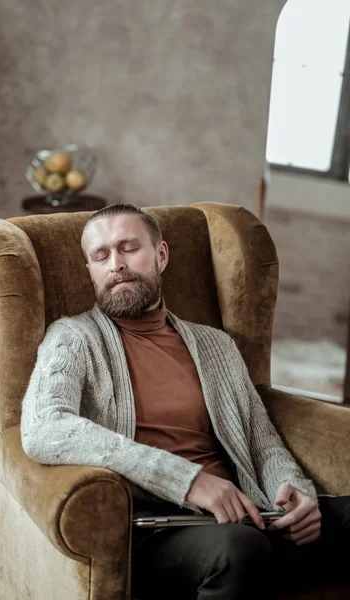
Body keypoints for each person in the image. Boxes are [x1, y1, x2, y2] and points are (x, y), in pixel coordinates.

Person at [21, 203, 350, 599]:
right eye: (101, 255)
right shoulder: (73, 338)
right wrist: (186, 481)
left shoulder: (216, 346)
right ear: (90, 269)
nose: (116, 265)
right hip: (162, 527)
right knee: (239, 551)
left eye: (129, 248)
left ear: (161, 256)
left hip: (254, 511)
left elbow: (261, 439)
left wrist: (293, 490)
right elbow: (44, 428)